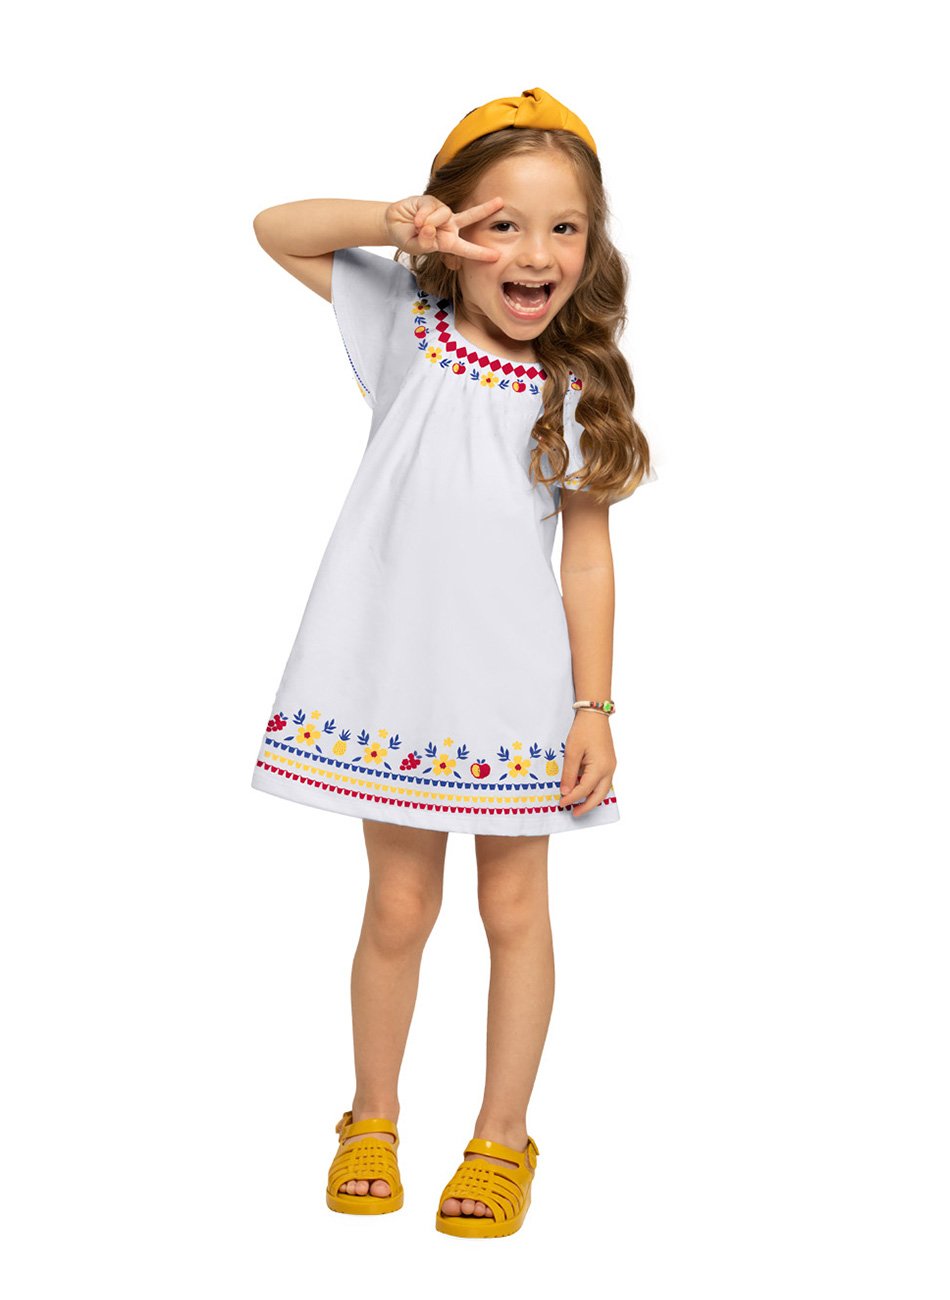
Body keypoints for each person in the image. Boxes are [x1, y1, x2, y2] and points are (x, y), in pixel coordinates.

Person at [249, 87, 657, 1238]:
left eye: (563, 227)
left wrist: (592, 705)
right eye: (502, 225)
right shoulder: (405, 327)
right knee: (397, 904)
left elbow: (586, 559)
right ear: (452, 231)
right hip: (400, 684)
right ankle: (370, 1114)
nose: (533, 253)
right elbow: (277, 229)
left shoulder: (574, 386)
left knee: (513, 906)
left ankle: (501, 1136)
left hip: (516, 690)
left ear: (591, 243)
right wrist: (394, 222)